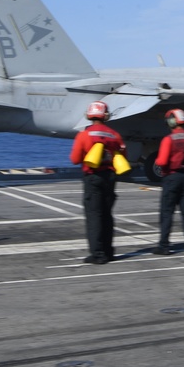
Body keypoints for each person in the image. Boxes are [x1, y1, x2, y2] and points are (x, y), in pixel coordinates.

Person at [69, 101, 127, 264]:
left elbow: (74, 159)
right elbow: (123, 155)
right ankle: (109, 252)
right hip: (109, 177)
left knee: (94, 216)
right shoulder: (115, 135)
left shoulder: (84, 135)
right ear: (105, 115)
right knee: (107, 215)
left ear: (89, 115)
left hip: (92, 177)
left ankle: (97, 254)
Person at [151, 108, 184, 255]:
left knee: (167, 212)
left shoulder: (168, 139)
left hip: (172, 177)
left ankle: (164, 245)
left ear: (171, 121)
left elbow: (161, 161)